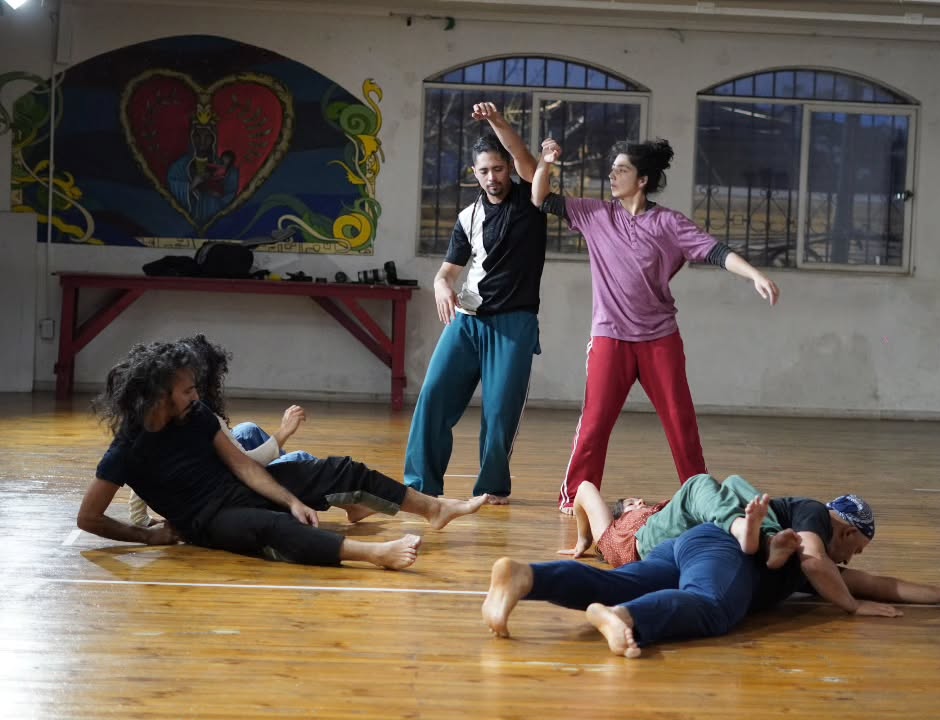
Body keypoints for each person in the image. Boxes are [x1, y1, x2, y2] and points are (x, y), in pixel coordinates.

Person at [79, 340, 490, 570]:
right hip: (209, 522)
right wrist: (148, 536)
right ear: (159, 397)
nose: (196, 395)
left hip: (241, 489)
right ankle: (375, 555)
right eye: (187, 390)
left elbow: (242, 465)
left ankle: (433, 508)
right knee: (273, 528)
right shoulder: (127, 450)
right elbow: (89, 518)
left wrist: (293, 499)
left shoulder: (197, 415)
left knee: (339, 470)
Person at [532, 138, 781, 514]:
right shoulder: (595, 214)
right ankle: (574, 496)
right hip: (610, 337)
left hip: (659, 339)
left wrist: (755, 275)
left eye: (621, 170)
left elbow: (716, 251)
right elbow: (541, 198)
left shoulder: (670, 223)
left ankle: (701, 497)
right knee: (594, 423)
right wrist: (545, 162)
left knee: (681, 423)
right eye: (612, 169)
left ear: (642, 179)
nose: (612, 176)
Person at [482, 494, 940, 658]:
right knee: (714, 608)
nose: (851, 561)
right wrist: (853, 608)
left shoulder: (820, 564)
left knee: (618, 580)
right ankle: (624, 618)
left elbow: (876, 584)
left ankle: (525, 576)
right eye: (855, 548)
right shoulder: (815, 517)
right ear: (845, 528)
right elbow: (819, 562)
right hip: (724, 551)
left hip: (693, 545)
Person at [404, 102, 547, 503]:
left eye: (498, 169)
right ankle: (421, 485)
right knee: (433, 397)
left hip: (513, 324)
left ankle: (492, 487)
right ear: (474, 173)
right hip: (467, 319)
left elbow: (524, 157)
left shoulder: (531, 201)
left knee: (499, 412)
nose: (491, 177)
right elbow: (446, 273)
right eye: (484, 171)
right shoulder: (468, 216)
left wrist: (497, 120)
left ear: (508, 168)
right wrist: (440, 286)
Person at [128, 334, 315, 527]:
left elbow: (146, 463)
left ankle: (292, 486)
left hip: (199, 490)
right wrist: (284, 432)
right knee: (302, 458)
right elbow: (246, 466)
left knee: (247, 431)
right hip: (219, 495)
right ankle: (312, 493)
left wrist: (139, 516)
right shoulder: (200, 415)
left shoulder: (161, 418)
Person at [562, 474, 801, 570]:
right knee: (696, 483)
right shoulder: (612, 534)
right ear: (619, 515)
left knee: (733, 483)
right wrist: (585, 539)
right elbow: (584, 488)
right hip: (645, 542)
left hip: (686, 531)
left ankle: (770, 540)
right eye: (632, 503)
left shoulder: (664, 511)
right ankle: (741, 528)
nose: (641, 502)